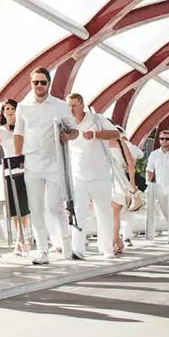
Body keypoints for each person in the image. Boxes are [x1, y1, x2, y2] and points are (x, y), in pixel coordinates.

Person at [12, 67, 78, 265]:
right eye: (35, 82)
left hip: (54, 162)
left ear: (48, 84)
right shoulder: (23, 107)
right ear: (31, 84)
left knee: (54, 206)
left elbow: (74, 130)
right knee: (36, 208)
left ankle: (67, 244)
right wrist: (18, 158)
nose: (39, 86)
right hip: (32, 162)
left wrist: (67, 136)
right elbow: (18, 133)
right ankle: (42, 251)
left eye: (43, 82)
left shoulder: (59, 105)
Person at [65, 93, 121, 259]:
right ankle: (78, 249)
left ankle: (106, 249)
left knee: (103, 212)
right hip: (77, 176)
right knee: (78, 212)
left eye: (74, 105)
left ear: (82, 105)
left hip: (100, 175)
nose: (71, 109)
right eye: (69, 106)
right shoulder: (66, 124)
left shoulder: (96, 119)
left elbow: (116, 134)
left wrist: (95, 135)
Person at [0, 99, 30, 255]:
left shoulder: (23, 127)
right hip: (8, 169)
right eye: (7, 109)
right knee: (13, 207)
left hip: (24, 167)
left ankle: (21, 240)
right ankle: (21, 240)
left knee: (24, 206)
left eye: (13, 108)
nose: (10, 111)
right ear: (3, 113)